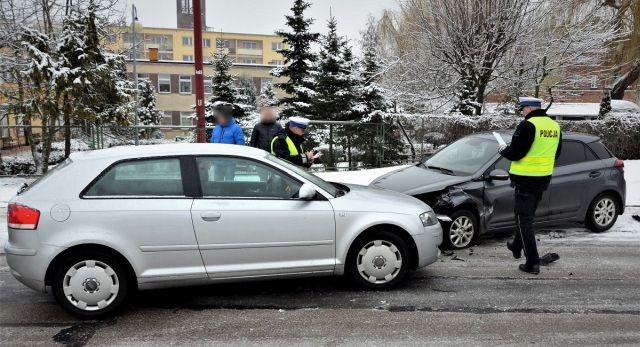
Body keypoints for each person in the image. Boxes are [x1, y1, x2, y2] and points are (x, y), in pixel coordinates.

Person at [498, 97, 562, 275]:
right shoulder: (554, 126)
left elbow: (516, 153)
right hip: (543, 178)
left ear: (531, 108)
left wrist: (502, 150)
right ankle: (516, 245)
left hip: (525, 179)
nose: (521, 111)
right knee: (526, 217)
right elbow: (556, 153)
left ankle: (532, 263)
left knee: (523, 219)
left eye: (522, 108)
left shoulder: (528, 125)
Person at [210, 103, 244, 181]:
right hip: (217, 162)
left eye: (221, 117)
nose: (219, 119)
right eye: (219, 117)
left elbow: (240, 144)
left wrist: (236, 158)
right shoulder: (216, 128)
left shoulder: (236, 128)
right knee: (218, 183)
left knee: (229, 184)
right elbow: (212, 143)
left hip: (230, 162)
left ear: (227, 117)